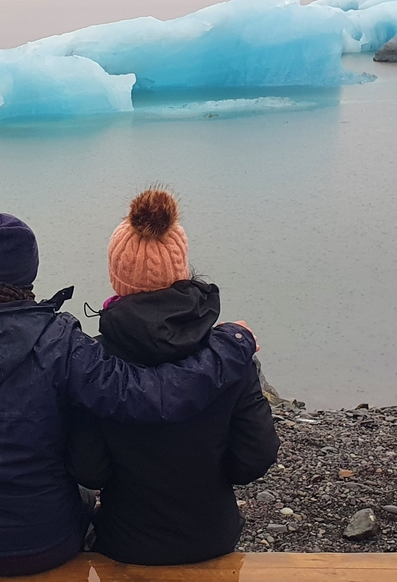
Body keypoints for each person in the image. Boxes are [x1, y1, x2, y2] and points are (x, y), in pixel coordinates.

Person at [0, 213, 256, 577]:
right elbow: (151, 396)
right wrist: (230, 347)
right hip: (44, 543)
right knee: (83, 499)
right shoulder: (58, 342)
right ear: (29, 272)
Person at [67, 188, 280, 566]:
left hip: (125, 542)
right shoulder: (229, 356)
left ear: (117, 278)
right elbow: (254, 458)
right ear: (181, 270)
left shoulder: (97, 363)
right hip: (212, 536)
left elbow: (89, 468)